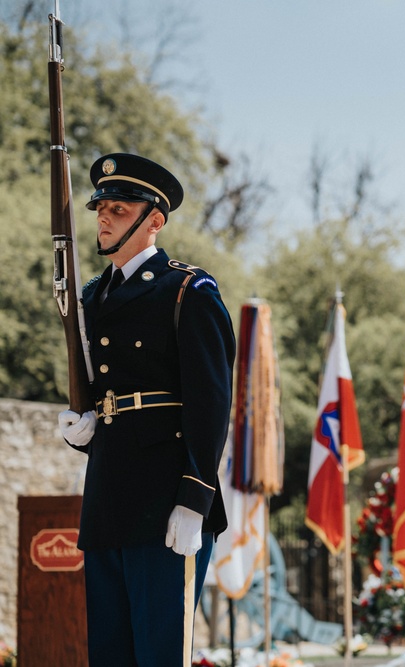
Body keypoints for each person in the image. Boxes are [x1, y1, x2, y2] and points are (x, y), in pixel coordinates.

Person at [57, 153, 236, 666]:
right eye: (101, 208)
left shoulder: (187, 290)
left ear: (153, 220)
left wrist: (195, 498)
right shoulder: (91, 295)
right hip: (108, 501)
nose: (105, 217)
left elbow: (211, 400)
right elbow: (102, 387)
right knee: (110, 655)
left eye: (119, 207)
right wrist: (85, 425)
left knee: (160, 655)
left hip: (167, 502)